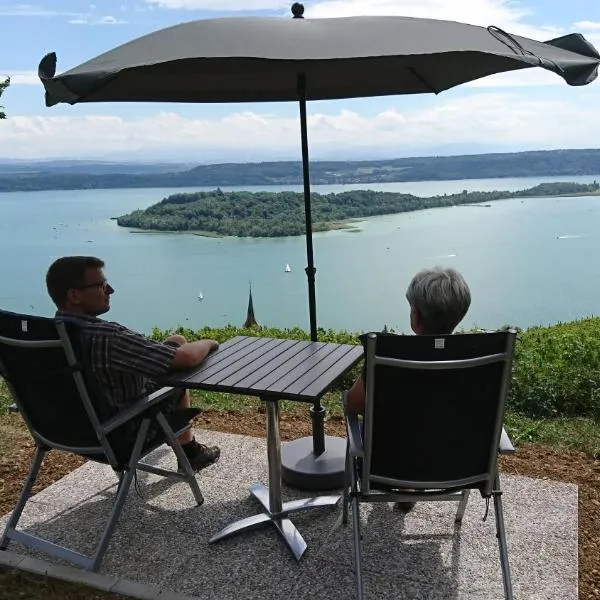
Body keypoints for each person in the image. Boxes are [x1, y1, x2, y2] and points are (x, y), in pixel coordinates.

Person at [45, 256, 220, 472]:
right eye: (101, 285)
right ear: (74, 295)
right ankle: (189, 452)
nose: (110, 290)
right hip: (122, 433)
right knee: (179, 369)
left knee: (176, 342)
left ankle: (188, 449)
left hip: (65, 432)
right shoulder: (107, 336)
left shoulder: (45, 336)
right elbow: (185, 360)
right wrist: (209, 342)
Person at [345, 266, 472, 512]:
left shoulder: (386, 356)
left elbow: (354, 404)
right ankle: (410, 487)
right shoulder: (482, 359)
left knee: (377, 420)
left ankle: (405, 484)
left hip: (385, 467)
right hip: (460, 467)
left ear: (415, 317)